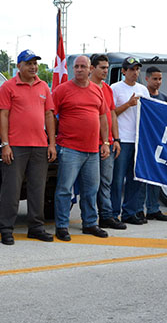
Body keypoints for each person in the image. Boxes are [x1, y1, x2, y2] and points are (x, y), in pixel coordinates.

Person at [0, 49, 57, 245]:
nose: (33, 67)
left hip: (40, 146)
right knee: (11, 190)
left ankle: (36, 227)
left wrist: (51, 143)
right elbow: (3, 116)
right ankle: (6, 228)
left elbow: (49, 115)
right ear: (19, 66)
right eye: (29, 63)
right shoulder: (8, 87)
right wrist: (5, 145)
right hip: (16, 146)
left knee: (37, 189)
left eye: (35, 63)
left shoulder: (43, 87)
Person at [53, 56, 110, 241]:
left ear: (90, 69)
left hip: (93, 150)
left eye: (82, 66)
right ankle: (62, 226)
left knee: (91, 189)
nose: (78, 69)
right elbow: (51, 115)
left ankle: (90, 223)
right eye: (76, 66)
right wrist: (53, 140)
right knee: (64, 189)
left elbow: (102, 117)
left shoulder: (97, 90)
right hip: (69, 148)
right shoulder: (62, 90)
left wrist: (106, 142)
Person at [112, 56, 152, 226]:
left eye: (137, 69)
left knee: (135, 178)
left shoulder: (143, 89)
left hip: (138, 139)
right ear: (123, 71)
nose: (135, 72)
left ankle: (130, 212)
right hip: (122, 138)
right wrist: (128, 104)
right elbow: (111, 112)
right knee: (117, 178)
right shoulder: (115, 88)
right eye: (131, 69)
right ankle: (113, 212)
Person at [89, 54, 126, 230]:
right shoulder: (86, 87)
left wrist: (115, 139)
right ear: (92, 68)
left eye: (106, 67)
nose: (105, 71)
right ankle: (89, 219)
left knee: (106, 181)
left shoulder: (107, 89)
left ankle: (106, 215)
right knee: (91, 184)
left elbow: (112, 115)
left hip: (107, 143)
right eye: (102, 67)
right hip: (88, 144)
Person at [142, 66, 167, 221]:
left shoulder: (164, 98)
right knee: (143, 177)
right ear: (147, 79)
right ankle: (140, 209)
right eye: (154, 78)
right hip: (144, 142)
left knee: (156, 176)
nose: (158, 82)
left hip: (159, 142)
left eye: (160, 79)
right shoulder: (143, 96)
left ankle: (154, 209)